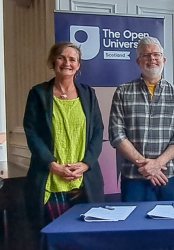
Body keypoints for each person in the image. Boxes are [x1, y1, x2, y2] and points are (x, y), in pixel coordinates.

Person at [23, 42, 105, 235]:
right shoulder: (38, 93)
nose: (67, 62)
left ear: (78, 66)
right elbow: (32, 132)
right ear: (53, 61)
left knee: (86, 236)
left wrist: (86, 164)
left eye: (72, 59)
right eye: (61, 57)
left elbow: (98, 132)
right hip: (51, 178)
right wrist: (52, 164)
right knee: (56, 235)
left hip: (84, 180)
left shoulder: (88, 94)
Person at [109, 37, 174, 202]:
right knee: (134, 226)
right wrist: (146, 166)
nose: (152, 59)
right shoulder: (123, 92)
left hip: (169, 176)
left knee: (169, 226)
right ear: (139, 61)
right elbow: (116, 134)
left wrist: (158, 164)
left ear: (163, 60)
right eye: (146, 55)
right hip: (133, 177)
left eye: (156, 55)